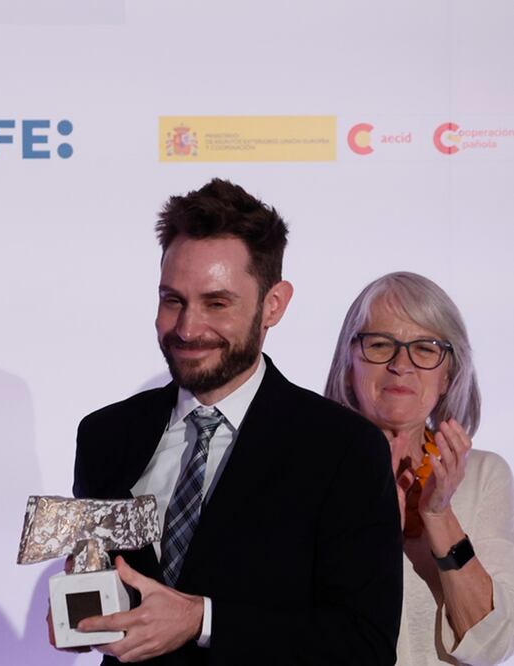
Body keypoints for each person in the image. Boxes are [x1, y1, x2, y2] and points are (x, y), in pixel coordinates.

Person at [62, 178, 403, 664]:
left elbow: (363, 643)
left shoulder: (342, 449)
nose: (187, 328)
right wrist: (83, 616)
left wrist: (204, 620)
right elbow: (104, 589)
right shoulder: (106, 435)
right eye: (172, 300)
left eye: (216, 303)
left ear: (274, 304)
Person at [325, 271, 514, 665]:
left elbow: (493, 646)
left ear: (448, 375)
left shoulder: (485, 476)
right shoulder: (307, 470)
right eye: (379, 344)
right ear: (348, 364)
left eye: (425, 349)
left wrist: (438, 515)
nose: (401, 365)